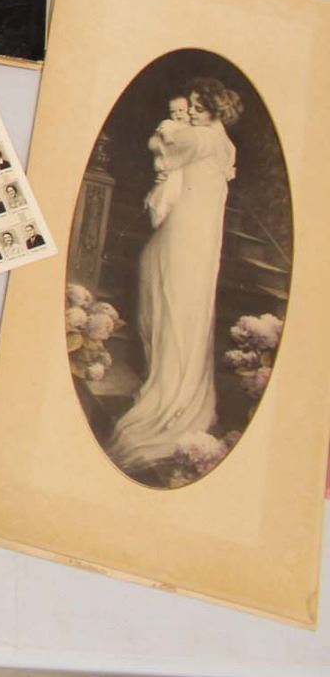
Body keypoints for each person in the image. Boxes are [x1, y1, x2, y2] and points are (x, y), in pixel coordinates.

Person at [104, 80, 240, 475]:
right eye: (191, 105)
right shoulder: (224, 143)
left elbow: (158, 145)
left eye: (199, 106)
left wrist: (167, 129)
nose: (192, 112)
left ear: (216, 109)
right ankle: (166, 375)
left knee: (171, 294)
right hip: (200, 231)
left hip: (188, 228)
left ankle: (168, 387)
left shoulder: (200, 138)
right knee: (175, 294)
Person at [143, 95, 193, 229]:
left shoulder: (192, 129)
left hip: (180, 170)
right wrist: (167, 138)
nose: (177, 114)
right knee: (164, 196)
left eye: (181, 110)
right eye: (173, 111)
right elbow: (162, 139)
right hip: (167, 164)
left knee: (174, 195)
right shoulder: (169, 124)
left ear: (189, 110)